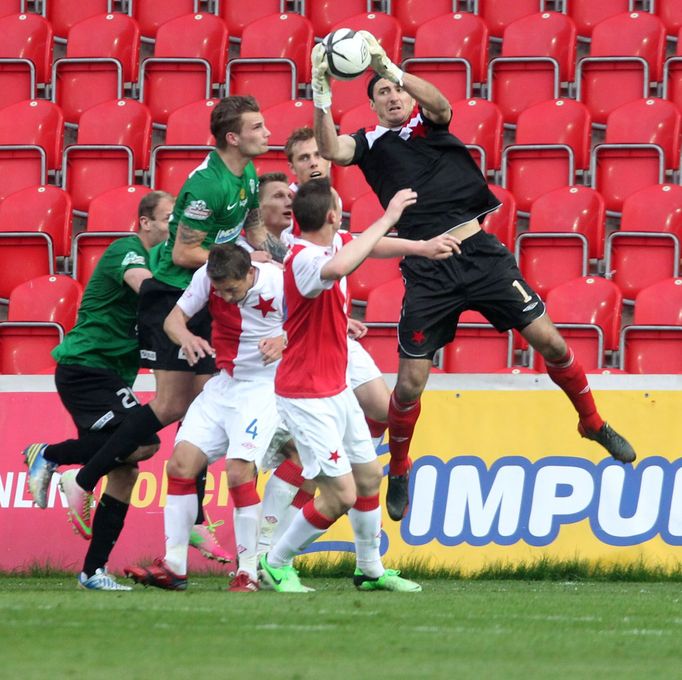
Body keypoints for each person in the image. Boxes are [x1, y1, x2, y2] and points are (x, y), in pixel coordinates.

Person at [311, 34, 637, 522]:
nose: (394, 97)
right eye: (382, 92)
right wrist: (321, 92)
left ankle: (591, 422)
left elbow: (440, 102)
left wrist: (392, 68)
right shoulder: (370, 144)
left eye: (396, 90)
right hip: (428, 267)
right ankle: (399, 466)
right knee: (409, 383)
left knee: (549, 342)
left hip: (480, 253)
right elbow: (331, 149)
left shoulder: (431, 121)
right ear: (372, 102)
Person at [56, 96, 272, 550]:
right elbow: (182, 254)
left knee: (198, 403)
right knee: (173, 405)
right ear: (233, 137)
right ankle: (84, 477)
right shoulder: (206, 186)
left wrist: (268, 254)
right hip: (174, 297)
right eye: (257, 126)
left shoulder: (248, 175)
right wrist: (245, 259)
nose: (266, 132)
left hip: (209, 296)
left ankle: (190, 514)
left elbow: (251, 222)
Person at [259, 178, 422, 593]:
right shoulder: (304, 258)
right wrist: (387, 217)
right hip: (306, 394)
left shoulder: (330, 243)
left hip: (334, 387)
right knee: (340, 495)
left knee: (369, 478)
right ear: (332, 215)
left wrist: (423, 247)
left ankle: (369, 569)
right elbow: (339, 267)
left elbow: (366, 247)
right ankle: (274, 562)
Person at [21, 191, 173, 590]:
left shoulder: (161, 260)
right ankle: (51, 455)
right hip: (87, 366)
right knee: (144, 443)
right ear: (145, 222)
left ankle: (92, 572)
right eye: (166, 218)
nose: (172, 225)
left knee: (126, 469)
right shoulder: (128, 250)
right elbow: (144, 286)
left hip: (110, 374)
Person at [125, 243, 285, 592]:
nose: (226, 297)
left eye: (233, 289)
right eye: (220, 290)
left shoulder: (279, 281)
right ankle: (174, 565)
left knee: (239, 471)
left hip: (263, 387)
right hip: (224, 384)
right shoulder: (206, 278)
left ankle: (248, 572)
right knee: (180, 465)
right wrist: (186, 337)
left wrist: (284, 338)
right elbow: (173, 320)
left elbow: (314, 323)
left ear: (249, 274)